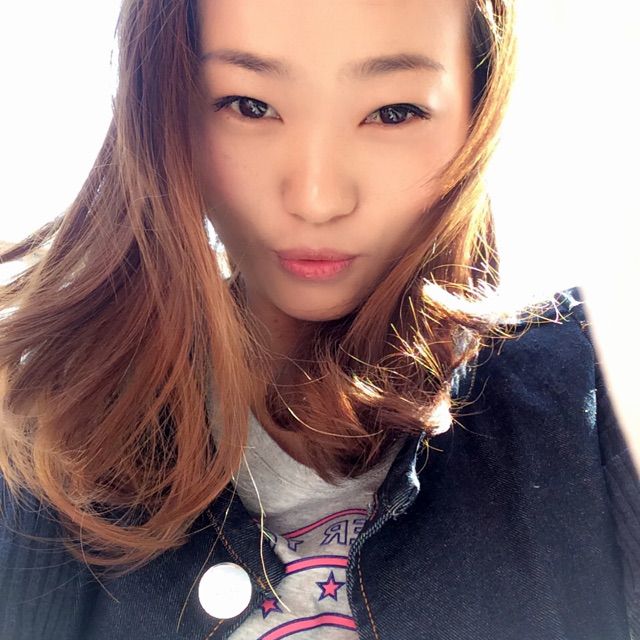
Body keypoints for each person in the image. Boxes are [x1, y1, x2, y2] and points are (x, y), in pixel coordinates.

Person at [0, 1, 638, 639]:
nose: (317, 199)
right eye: (250, 105)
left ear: (479, 114)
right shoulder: (44, 435)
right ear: (164, 109)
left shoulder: (589, 395)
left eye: (394, 112)